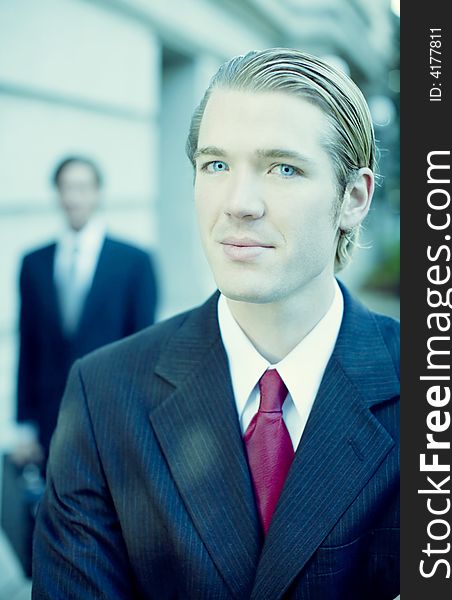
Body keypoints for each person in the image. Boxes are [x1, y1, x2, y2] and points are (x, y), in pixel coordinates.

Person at [32, 49, 399, 599]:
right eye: (216, 165)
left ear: (353, 198)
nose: (238, 203)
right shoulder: (102, 395)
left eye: (283, 168)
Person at [17, 156, 158, 460]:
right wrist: (24, 425)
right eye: (66, 188)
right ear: (57, 194)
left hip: (112, 414)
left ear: (97, 193)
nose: (73, 197)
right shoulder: (33, 263)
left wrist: (139, 417)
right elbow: (27, 344)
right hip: (49, 417)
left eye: (82, 188)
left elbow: (145, 346)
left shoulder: (134, 261)